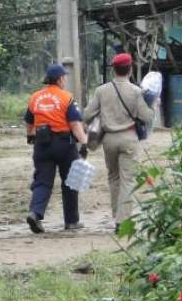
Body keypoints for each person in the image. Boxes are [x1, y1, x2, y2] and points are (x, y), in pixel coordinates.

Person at [83, 53, 154, 232]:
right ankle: (123, 220)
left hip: (108, 140)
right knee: (127, 180)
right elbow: (146, 117)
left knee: (113, 178)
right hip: (129, 138)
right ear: (130, 70)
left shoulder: (101, 90)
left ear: (113, 70)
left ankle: (116, 216)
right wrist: (153, 105)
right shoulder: (136, 91)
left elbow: (86, 115)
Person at [24, 64, 89, 233]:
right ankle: (71, 221)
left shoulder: (35, 97)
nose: (65, 79)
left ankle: (35, 213)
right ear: (60, 79)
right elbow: (75, 123)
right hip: (64, 144)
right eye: (65, 77)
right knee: (71, 181)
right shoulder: (66, 98)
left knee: (42, 182)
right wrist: (84, 142)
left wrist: (30, 135)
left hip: (42, 144)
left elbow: (29, 121)